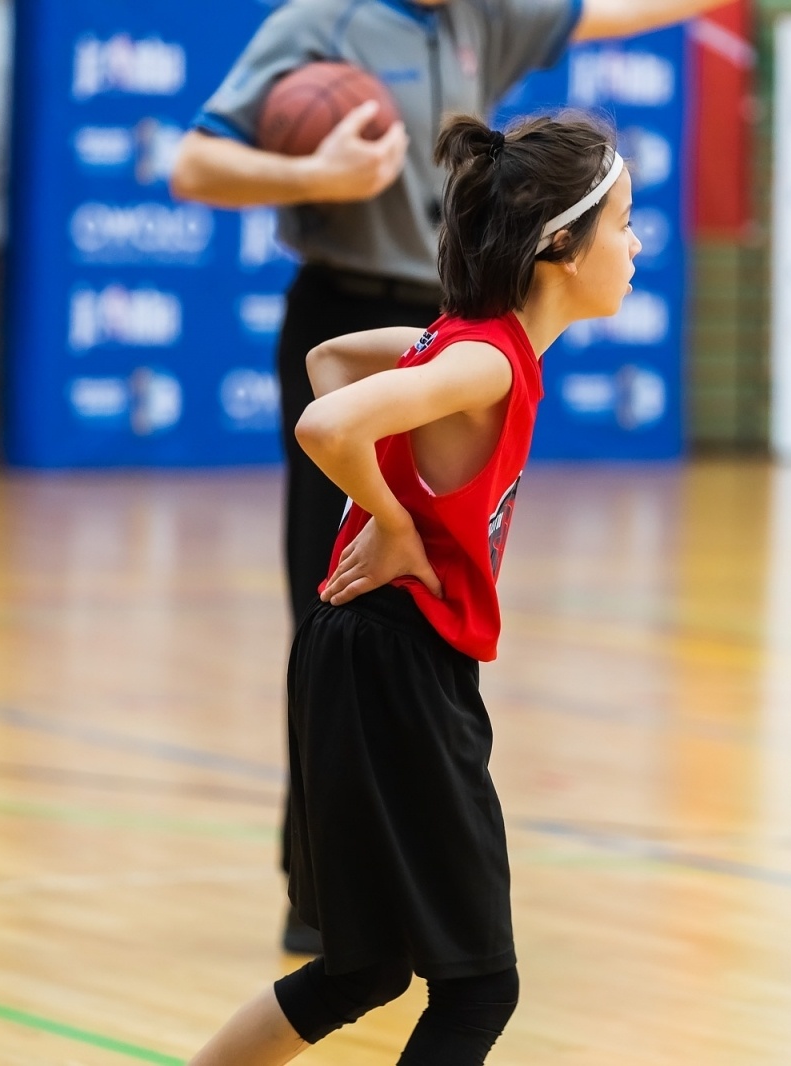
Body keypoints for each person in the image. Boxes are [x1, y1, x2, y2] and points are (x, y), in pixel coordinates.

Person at [169, 0, 726, 953]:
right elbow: (193, 166)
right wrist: (312, 172)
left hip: (446, 318)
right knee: (339, 598)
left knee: (413, 608)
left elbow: (606, 12)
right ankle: (326, 882)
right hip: (348, 307)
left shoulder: (483, 18)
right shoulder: (320, 25)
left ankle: (386, 878)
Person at [186, 110, 639, 1066]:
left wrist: (414, 418)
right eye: (627, 222)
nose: (638, 244)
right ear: (562, 245)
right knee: (479, 988)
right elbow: (325, 424)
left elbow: (327, 362)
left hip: (362, 658)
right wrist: (396, 526)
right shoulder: (481, 360)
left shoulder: (469, 344)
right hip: (396, 662)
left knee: (364, 969)